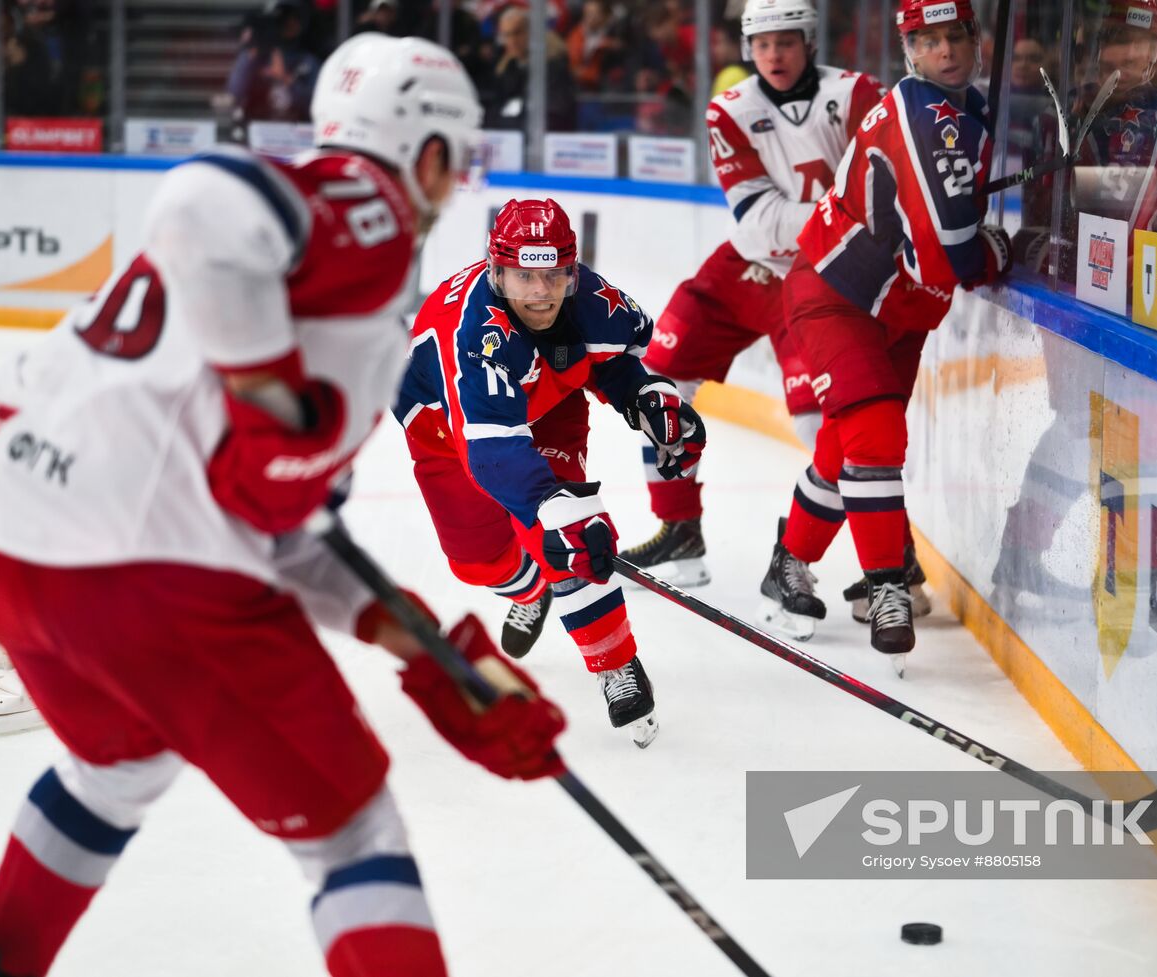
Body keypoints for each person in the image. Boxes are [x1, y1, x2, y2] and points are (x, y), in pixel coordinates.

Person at [0, 35, 566, 977]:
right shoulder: (367, 208)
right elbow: (199, 202)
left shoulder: (316, 267)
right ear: (425, 151)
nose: (454, 186)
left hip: (24, 546)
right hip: (145, 569)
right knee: (356, 837)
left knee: (119, 764)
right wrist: (268, 390)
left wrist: (431, 651)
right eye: (456, 160)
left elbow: (286, 528)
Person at [393, 198, 706, 748]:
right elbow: (492, 450)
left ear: (572, 269)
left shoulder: (590, 297)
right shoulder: (474, 331)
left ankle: (616, 664)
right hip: (448, 432)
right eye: (523, 277)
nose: (539, 292)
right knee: (479, 562)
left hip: (549, 407)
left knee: (569, 530)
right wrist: (552, 511)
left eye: (554, 276)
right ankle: (530, 586)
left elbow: (615, 362)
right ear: (497, 271)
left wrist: (650, 400)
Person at [757, 0, 1013, 669]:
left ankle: (789, 561)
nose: (944, 52)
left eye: (953, 36)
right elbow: (946, 253)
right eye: (927, 42)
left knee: (847, 440)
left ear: (973, 39)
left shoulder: (967, 108)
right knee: (874, 432)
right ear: (909, 52)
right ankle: (887, 587)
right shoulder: (926, 115)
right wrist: (996, 252)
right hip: (837, 293)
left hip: (897, 306)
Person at [618, 0, 889, 592]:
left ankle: (891, 561)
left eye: (785, 42)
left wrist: (838, 224)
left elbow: (883, 202)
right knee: (656, 382)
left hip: (822, 283)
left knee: (827, 426)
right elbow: (758, 225)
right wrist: (846, 216)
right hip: (746, 270)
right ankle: (679, 527)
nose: (773, 55)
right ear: (747, 49)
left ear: (809, 41)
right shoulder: (730, 108)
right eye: (762, 45)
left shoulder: (859, 94)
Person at [227, 0, 321, 123]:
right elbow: (234, 93)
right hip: (258, 129)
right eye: (282, 19)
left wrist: (286, 79)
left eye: (294, 18)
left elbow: (316, 105)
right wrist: (252, 54)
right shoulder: (255, 57)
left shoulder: (308, 62)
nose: (288, 23)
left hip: (296, 132)